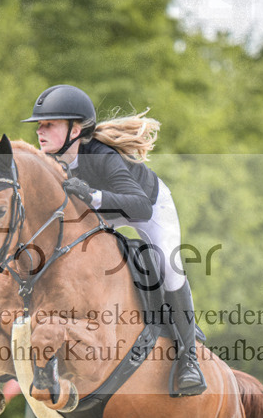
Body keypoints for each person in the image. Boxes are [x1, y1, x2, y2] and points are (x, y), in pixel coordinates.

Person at [22, 84, 206, 397]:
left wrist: (92, 196)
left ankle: (189, 359)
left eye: (49, 124)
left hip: (147, 207)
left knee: (168, 266)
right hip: (102, 209)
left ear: (75, 130)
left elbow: (139, 206)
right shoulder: (49, 162)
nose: (40, 132)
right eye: (40, 125)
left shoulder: (102, 156)